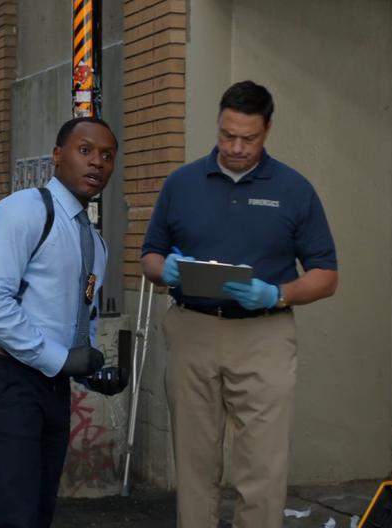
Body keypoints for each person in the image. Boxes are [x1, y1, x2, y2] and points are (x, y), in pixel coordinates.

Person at [140, 80, 338, 528]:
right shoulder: (181, 183)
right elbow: (150, 254)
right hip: (192, 329)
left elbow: (327, 276)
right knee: (193, 464)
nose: (236, 147)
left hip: (264, 334)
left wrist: (279, 293)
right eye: (227, 134)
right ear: (218, 124)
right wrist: (164, 268)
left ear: (267, 130)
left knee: (262, 467)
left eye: (248, 138)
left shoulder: (294, 189)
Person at [0, 116, 127, 528]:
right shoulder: (23, 211)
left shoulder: (95, 243)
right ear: (58, 156)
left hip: (51, 386)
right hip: (5, 377)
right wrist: (58, 358)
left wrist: (91, 368)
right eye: (85, 150)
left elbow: (83, 313)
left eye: (107, 156)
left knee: (39, 512)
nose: (97, 163)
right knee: (15, 513)